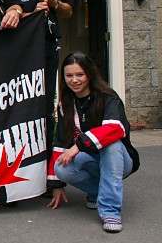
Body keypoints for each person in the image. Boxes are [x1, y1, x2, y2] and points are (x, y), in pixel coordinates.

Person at [0, 0, 74, 165]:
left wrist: (54, 3)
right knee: (13, 108)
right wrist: (28, 14)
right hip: (11, 52)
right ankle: (13, 166)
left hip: (45, 48)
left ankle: (45, 167)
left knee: (43, 108)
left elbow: (68, 11)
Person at [47, 52, 139, 233]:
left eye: (80, 75)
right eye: (69, 75)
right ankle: (98, 193)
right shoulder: (66, 103)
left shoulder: (108, 97)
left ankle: (110, 210)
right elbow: (60, 141)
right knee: (62, 168)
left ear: (89, 74)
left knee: (110, 144)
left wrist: (78, 145)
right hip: (91, 159)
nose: (74, 80)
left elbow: (116, 129)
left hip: (120, 160)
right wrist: (56, 185)